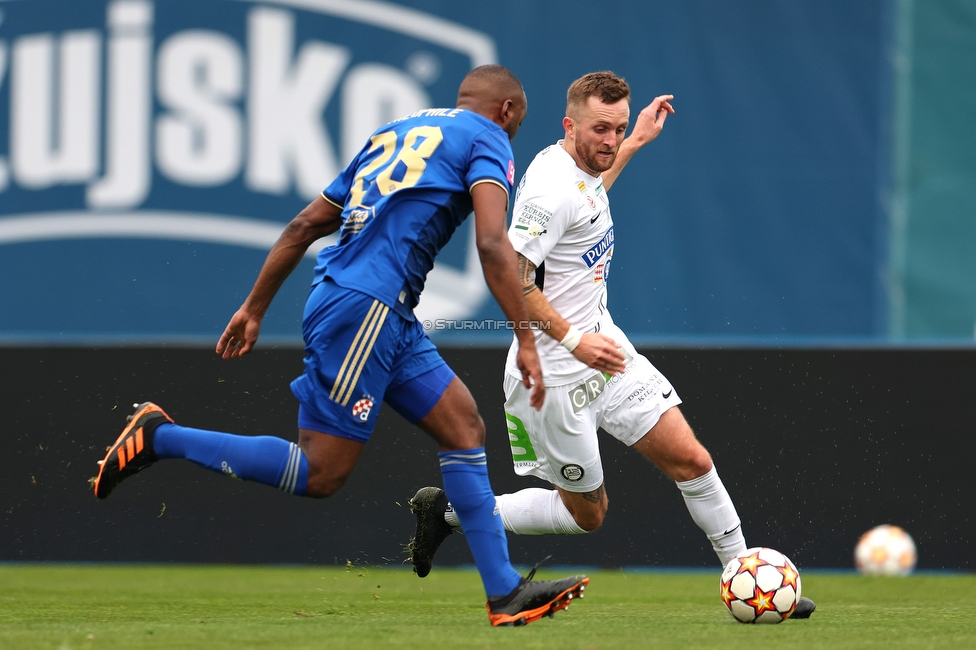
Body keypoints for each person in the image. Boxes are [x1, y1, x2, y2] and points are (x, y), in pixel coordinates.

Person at [92, 64, 588, 628]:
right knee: (320, 474)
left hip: (379, 309)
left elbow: (306, 224)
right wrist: (524, 336)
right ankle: (161, 437)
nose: (514, 131)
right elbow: (494, 243)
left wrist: (254, 306)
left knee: (463, 425)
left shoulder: (393, 132)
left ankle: (502, 591)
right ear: (507, 110)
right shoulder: (488, 137)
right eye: (518, 120)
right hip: (366, 310)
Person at [407, 71, 814, 619]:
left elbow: (591, 194)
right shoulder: (548, 191)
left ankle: (746, 578)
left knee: (693, 460)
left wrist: (639, 139)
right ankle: (450, 513)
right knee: (588, 514)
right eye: (601, 129)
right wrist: (574, 341)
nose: (610, 140)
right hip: (553, 374)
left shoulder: (584, 172)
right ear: (569, 124)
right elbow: (512, 276)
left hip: (606, 350)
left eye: (618, 128)